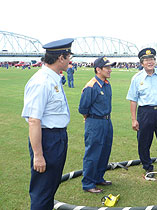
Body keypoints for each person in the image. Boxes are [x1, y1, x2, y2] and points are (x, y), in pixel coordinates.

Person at [21, 38, 74, 210]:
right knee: (43, 190)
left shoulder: (53, 79)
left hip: (57, 138)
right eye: (68, 57)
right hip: (48, 139)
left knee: (50, 186)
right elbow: (34, 120)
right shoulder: (42, 81)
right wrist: (38, 155)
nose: (70, 61)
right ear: (61, 58)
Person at [126, 48, 157, 180]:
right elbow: (133, 100)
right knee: (144, 141)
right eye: (146, 60)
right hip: (145, 113)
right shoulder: (137, 78)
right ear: (142, 63)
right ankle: (147, 167)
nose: (150, 62)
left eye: (152, 59)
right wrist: (133, 119)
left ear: (155, 61)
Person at [78, 56, 116, 193]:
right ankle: (88, 183)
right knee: (93, 153)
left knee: (105, 151)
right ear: (98, 69)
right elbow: (83, 108)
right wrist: (91, 120)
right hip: (95, 122)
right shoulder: (91, 86)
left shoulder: (106, 83)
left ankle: (99, 177)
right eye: (107, 68)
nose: (110, 70)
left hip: (107, 121)